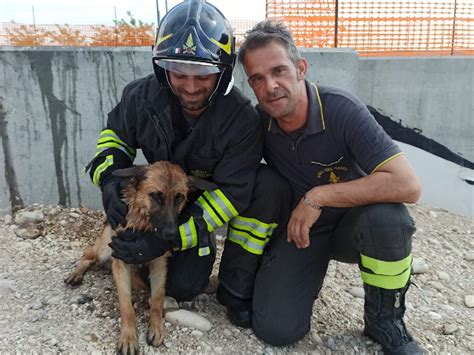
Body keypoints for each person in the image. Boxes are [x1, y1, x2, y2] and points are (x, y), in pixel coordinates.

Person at [85, 1, 290, 328]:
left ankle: (229, 282)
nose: (191, 86)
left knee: (185, 286)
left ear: (222, 70)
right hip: (156, 200)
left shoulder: (241, 120)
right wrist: (109, 180)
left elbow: (232, 195)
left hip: (195, 208)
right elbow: (113, 138)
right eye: (179, 73)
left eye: (204, 74)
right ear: (162, 68)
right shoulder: (140, 97)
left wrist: (170, 238)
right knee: (133, 255)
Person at [238, 20, 423, 354]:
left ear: (301, 68)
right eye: (257, 78)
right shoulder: (258, 122)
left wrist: (319, 196)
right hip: (303, 231)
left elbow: (408, 184)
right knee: (276, 329)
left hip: (354, 226)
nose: (271, 86)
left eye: (279, 71)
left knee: (390, 219)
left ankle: (386, 320)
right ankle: (294, 273)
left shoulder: (341, 110)